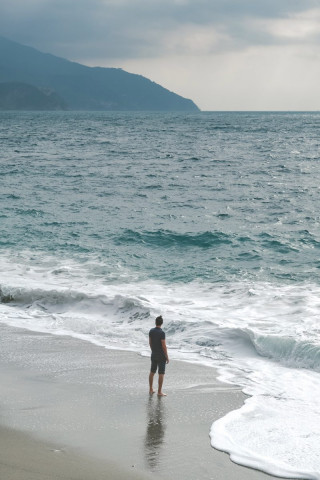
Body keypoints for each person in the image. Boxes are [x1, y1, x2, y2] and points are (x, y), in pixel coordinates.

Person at [149, 315, 169, 396]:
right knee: (161, 373)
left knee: (152, 372)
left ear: (155, 322)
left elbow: (150, 342)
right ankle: (159, 392)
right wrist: (167, 357)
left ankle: (151, 389)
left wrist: (153, 350)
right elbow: (164, 346)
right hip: (161, 355)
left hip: (153, 354)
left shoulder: (151, 331)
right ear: (162, 323)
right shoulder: (162, 333)